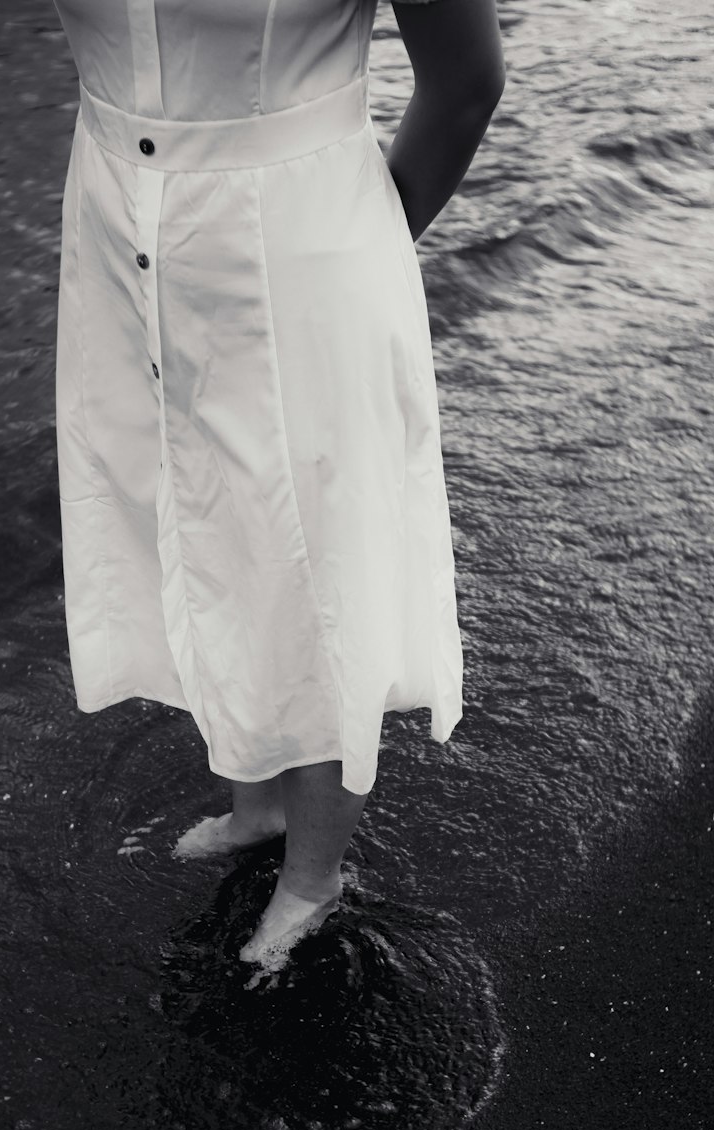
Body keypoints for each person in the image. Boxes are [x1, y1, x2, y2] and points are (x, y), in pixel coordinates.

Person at [51, 1, 505, 968]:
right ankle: (255, 802)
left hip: (300, 238)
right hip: (113, 217)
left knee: (314, 552)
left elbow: (466, 83)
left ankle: (313, 876)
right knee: (184, 510)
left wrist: (361, 254)